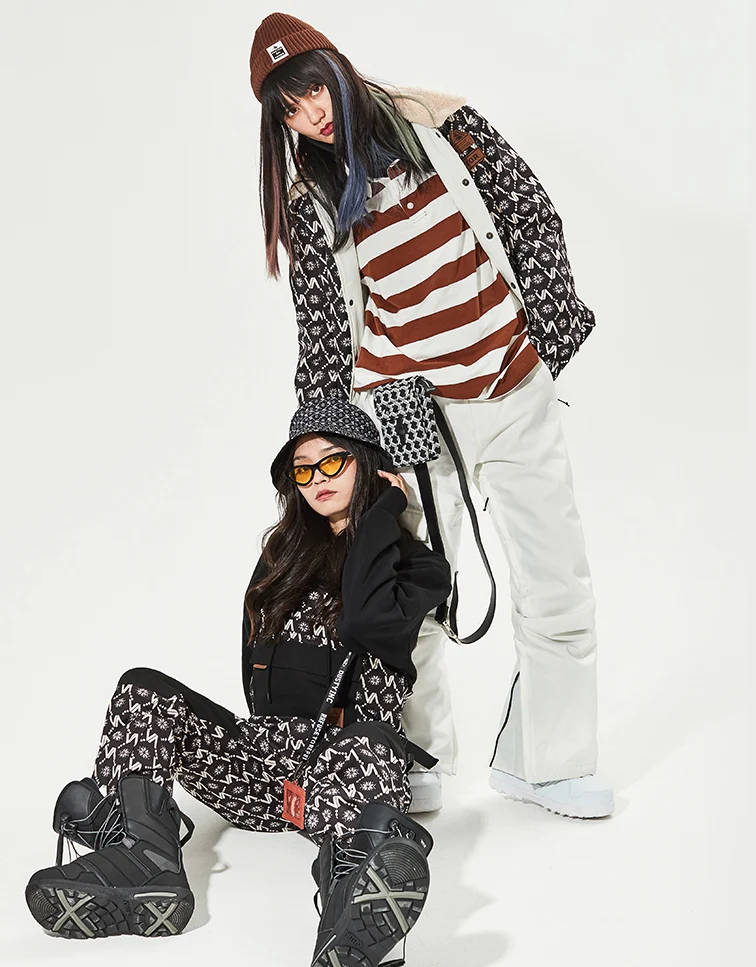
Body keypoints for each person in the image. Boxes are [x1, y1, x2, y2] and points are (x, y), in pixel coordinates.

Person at [249, 12, 614, 818]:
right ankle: (413, 759)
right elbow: (323, 332)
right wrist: (328, 444)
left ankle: (549, 763)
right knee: (405, 595)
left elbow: (530, 215)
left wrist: (542, 337)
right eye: (289, 109)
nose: (311, 113)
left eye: (312, 88)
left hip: (510, 386)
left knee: (557, 582)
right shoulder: (312, 198)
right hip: (408, 412)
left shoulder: (441, 126)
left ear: (336, 67)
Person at [24, 396, 451, 967]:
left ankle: (350, 903)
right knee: (142, 687)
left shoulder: (419, 568)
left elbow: (364, 621)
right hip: (264, 769)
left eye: (333, 462)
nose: (317, 479)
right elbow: (257, 671)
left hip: (345, 769)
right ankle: (144, 858)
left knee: (374, 746)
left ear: (369, 466)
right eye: (303, 470)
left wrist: (384, 513)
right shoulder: (281, 558)